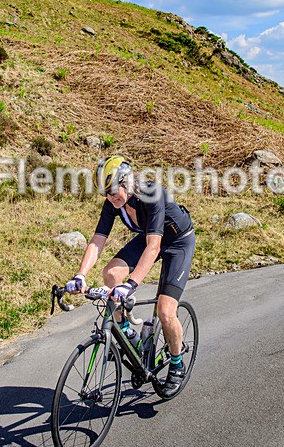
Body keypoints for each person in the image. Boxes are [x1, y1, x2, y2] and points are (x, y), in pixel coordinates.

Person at [66, 156, 195, 397]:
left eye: (113, 191)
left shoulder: (151, 194)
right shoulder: (113, 203)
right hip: (150, 238)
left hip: (177, 242)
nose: (110, 197)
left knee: (166, 311)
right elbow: (98, 240)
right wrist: (80, 275)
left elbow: (153, 247)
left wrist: (132, 285)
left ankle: (177, 364)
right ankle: (127, 332)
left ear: (127, 182)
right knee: (111, 273)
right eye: (105, 193)